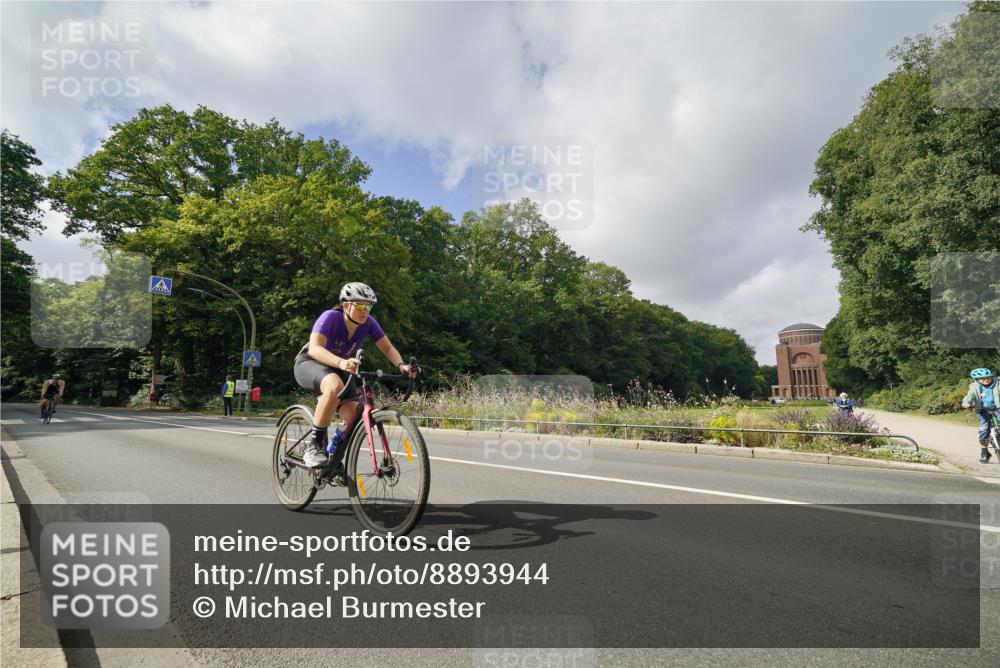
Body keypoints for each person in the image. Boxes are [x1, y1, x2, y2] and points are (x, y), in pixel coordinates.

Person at [293, 282, 416, 470]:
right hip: (310, 362)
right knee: (334, 386)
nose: (364, 311)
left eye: (368, 307)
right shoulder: (330, 317)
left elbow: (388, 348)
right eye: (359, 305)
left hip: (340, 368)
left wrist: (401, 365)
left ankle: (332, 456)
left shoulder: (368, 323)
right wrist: (341, 363)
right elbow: (315, 348)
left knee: (354, 414)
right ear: (346, 305)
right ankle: (314, 446)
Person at [961, 367, 1000, 464]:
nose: (986, 380)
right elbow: (969, 397)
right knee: (983, 430)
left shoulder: (997, 384)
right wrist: (966, 403)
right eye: (982, 378)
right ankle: (985, 452)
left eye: (988, 377)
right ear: (977, 379)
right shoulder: (975, 387)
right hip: (982, 410)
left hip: (997, 408)